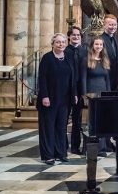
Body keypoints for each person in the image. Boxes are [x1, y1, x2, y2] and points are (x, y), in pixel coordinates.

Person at [37, 33, 78, 165]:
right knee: (48, 127)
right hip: (49, 99)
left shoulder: (69, 57)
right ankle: (48, 155)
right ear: (53, 44)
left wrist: (74, 94)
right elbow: (42, 79)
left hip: (64, 99)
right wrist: (44, 96)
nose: (61, 44)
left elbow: (73, 78)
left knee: (61, 127)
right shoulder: (47, 58)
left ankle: (61, 153)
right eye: (58, 42)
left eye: (63, 42)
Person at [81, 36, 112, 156]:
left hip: (103, 93)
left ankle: (102, 148)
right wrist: (84, 95)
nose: (99, 47)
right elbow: (83, 79)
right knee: (91, 122)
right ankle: (91, 148)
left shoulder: (104, 59)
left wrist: (108, 94)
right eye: (96, 44)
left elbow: (107, 79)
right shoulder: (86, 60)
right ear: (92, 46)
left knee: (102, 121)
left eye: (101, 45)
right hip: (91, 94)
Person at [65, 26, 86, 154]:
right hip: (67, 89)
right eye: (73, 35)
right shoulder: (65, 51)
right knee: (64, 118)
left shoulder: (84, 51)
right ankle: (62, 145)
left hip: (79, 88)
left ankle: (75, 146)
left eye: (78, 35)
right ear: (69, 37)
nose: (76, 37)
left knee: (77, 120)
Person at [101, 14, 118, 89]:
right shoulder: (100, 39)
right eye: (110, 25)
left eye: (115, 25)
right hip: (106, 77)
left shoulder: (116, 39)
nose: (113, 27)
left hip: (116, 78)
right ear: (104, 25)